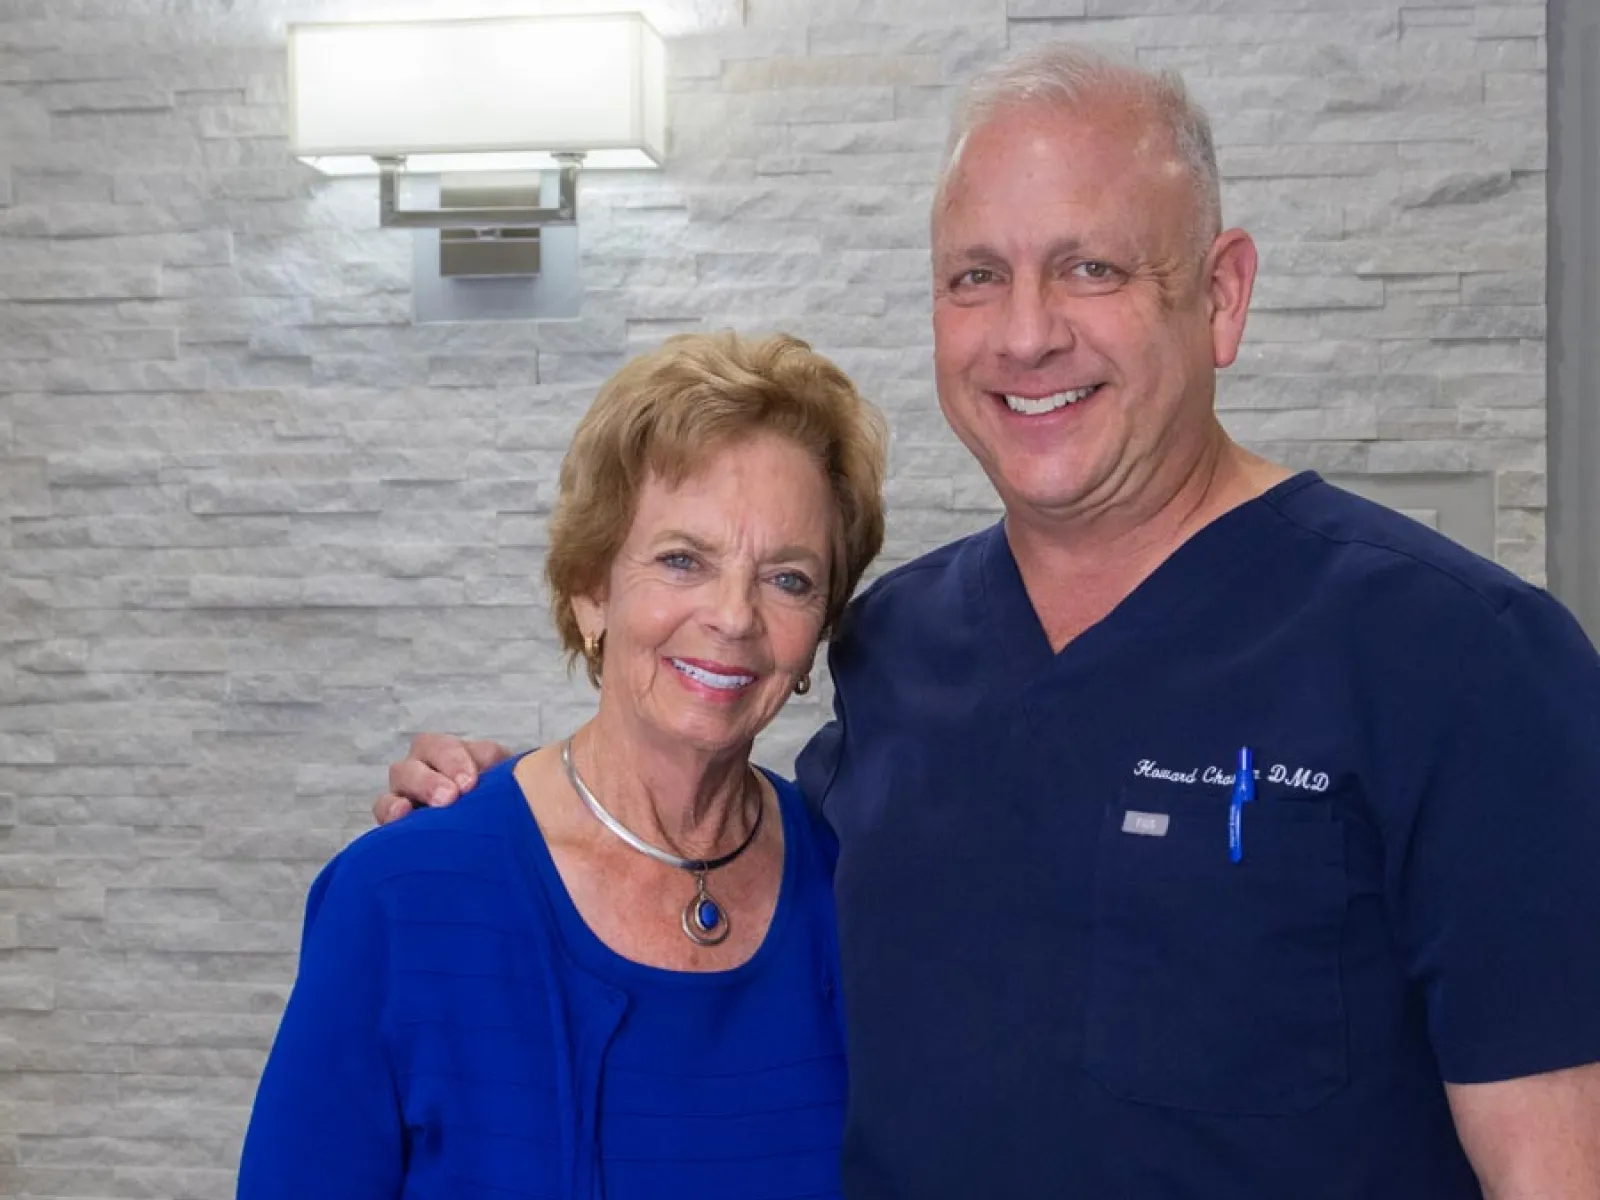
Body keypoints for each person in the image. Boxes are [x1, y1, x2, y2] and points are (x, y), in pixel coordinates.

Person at [374, 43, 1600, 1200]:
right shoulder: (893, 646)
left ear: (1221, 298)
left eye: (1092, 268)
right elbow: (721, 884)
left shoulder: (1462, 660)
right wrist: (504, 817)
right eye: (976, 277)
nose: (1025, 334)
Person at [238, 331, 888, 1198]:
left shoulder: (863, 889)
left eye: (789, 579)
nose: (734, 617)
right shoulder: (404, 898)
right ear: (591, 589)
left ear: (817, 630)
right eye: (682, 560)